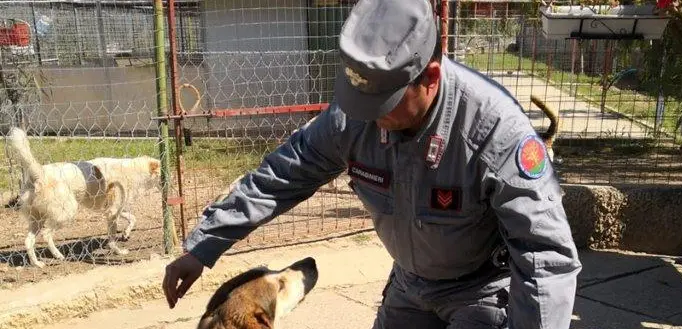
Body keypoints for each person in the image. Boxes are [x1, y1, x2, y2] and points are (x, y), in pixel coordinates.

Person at [162, 0, 582, 328]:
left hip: (482, 292)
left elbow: (545, 256)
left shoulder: (496, 132)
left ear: (430, 77)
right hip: (410, 283)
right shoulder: (353, 116)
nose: (370, 116)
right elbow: (281, 176)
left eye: (385, 103)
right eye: (361, 99)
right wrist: (203, 245)